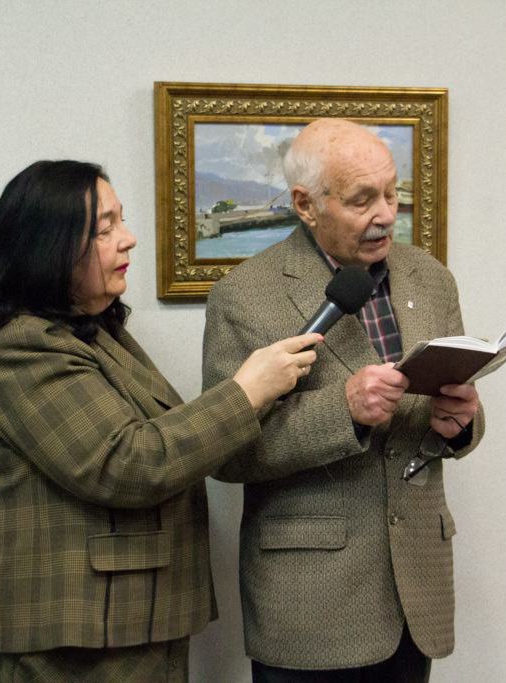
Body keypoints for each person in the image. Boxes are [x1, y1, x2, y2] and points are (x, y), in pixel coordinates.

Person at [0, 160, 321, 682]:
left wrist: (260, 394)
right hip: (66, 644)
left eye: (122, 220)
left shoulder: (90, 331)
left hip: (121, 627)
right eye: (105, 228)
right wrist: (246, 392)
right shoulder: (20, 347)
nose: (129, 239)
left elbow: (156, 439)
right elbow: (127, 464)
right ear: (49, 247)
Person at [202, 119, 485, 682]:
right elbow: (225, 454)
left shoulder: (430, 279)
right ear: (305, 205)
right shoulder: (244, 296)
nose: (386, 214)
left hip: (416, 592)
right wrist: (344, 410)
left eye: (392, 193)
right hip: (310, 601)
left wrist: (460, 425)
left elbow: (452, 406)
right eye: (362, 200)